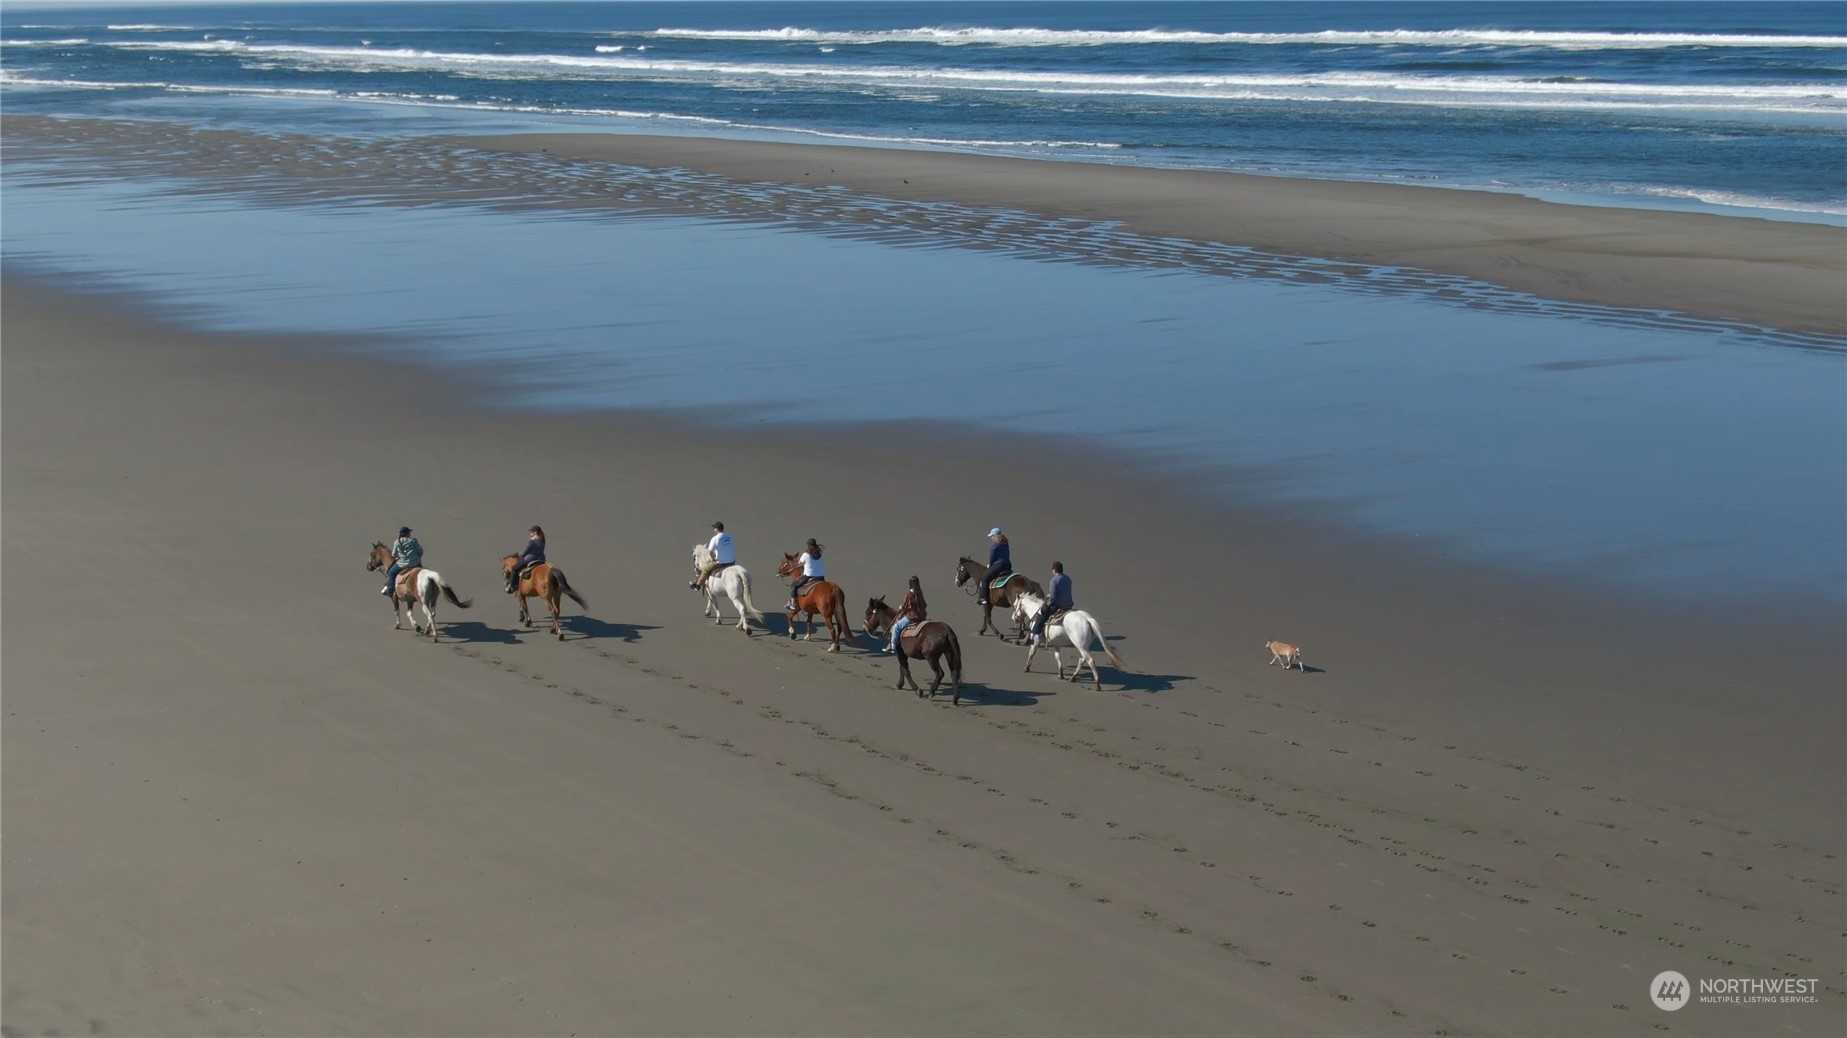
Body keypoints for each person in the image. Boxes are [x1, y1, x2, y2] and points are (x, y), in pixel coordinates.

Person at [1031, 561, 1074, 642]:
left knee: (1041, 615)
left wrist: (1047, 604)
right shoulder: (1068, 578)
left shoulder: (1054, 580)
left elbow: (1053, 597)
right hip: (1069, 604)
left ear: (1054, 570)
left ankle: (1033, 635)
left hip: (1058, 605)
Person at [691, 521, 736, 590]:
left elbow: (710, 552)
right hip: (732, 561)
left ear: (716, 529)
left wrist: (713, 559)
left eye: (714, 528)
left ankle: (698, 585)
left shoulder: (715, 539)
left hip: (721, 562)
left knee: (705, 569)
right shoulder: (729, 536)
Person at [887, 576, 927, 653]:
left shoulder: (908, 594)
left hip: (912, 617)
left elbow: (905, 607)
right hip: (922, 616)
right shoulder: (920, 593)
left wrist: (901, 608)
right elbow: (924, 605)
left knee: (896, 626)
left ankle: (893, 646)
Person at [381, 526, 422, 596]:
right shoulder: (413, 540)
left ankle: (390, 591)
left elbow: (393, 555)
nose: (410, 534)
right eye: (409, 532)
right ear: (407, 533)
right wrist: (417, 557)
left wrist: (399, 557)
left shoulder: (397, 542)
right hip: (416, 563)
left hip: (402, 564)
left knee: (391, 573)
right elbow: (420, 551)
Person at [977, 527, 1011, 607]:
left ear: (995, 536)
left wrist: (990, 565)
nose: (991, 538)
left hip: (999, 565)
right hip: (1008, 565)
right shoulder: (1005, 543)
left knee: (985, 578)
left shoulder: (994, 545)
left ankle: (983, 598)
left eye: (992, 536)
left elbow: (992, 557)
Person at [507, 525, 546, 593]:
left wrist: (519, 554)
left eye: (531, 531)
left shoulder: (531, 541)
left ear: (535, 532)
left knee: (514, 568)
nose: (530, 533)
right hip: (541, 559)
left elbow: (524, 552)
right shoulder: (543, 540)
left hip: (530, 559)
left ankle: (511, 585)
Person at [788, 538, 824, 610]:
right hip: (821, 577)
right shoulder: (821, 554)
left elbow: (800, 563)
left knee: (794, 586)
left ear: (808, 546)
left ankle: (793, 604)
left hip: (809, 575)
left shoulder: (806, 555)